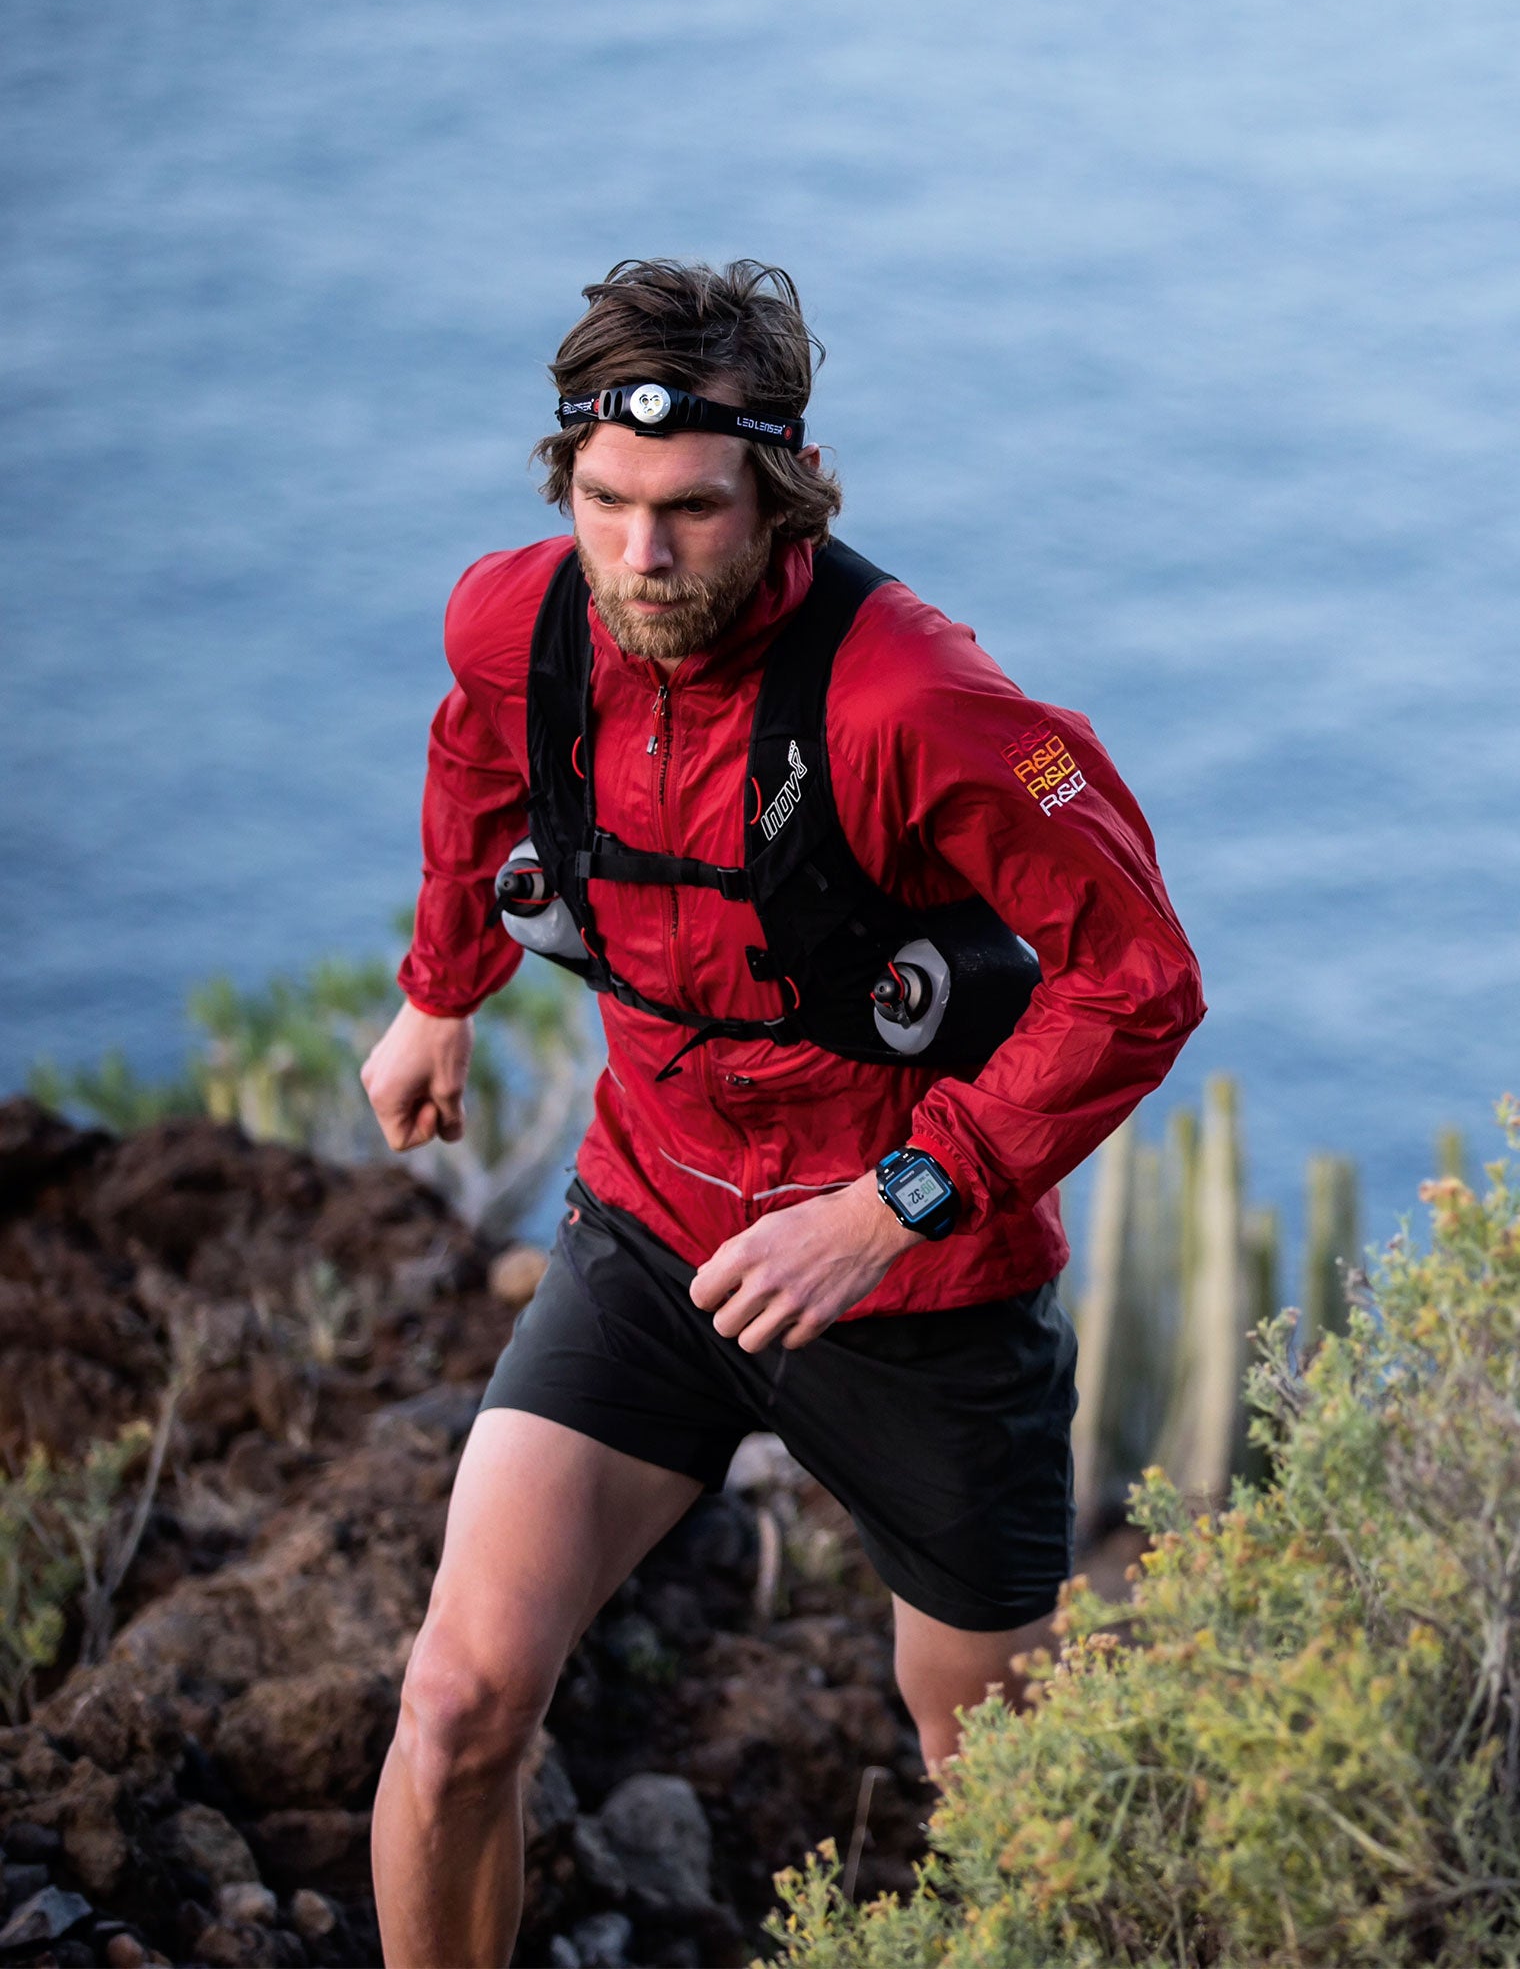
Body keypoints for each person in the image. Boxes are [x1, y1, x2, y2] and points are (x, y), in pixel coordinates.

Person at [360, 258, 1203, 1967]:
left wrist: (895, 1197)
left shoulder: (923, 701)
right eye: (605, 505)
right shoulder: (519, 620)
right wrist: (444, 983)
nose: (641, 560)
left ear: (783, 491)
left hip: (912, 1300)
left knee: (1006, 1798)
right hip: (651, 1231)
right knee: (454, 1708)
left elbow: (1141, 975)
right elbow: (474, 750)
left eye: (689, 511)